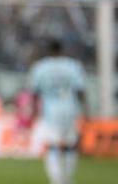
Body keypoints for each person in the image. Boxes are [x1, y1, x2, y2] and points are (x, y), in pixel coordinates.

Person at [30, 39, 88, 184]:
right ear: (62, 50)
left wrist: (33, 111)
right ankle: (67, 179)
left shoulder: (41, 67)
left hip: (50, 111)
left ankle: (56, 179)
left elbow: (34, 92)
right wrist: (87, 110)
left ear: (48, 51)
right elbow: (80, 90)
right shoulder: (72, 66)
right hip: (70, 110)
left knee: (53, 146)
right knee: (70, 146)